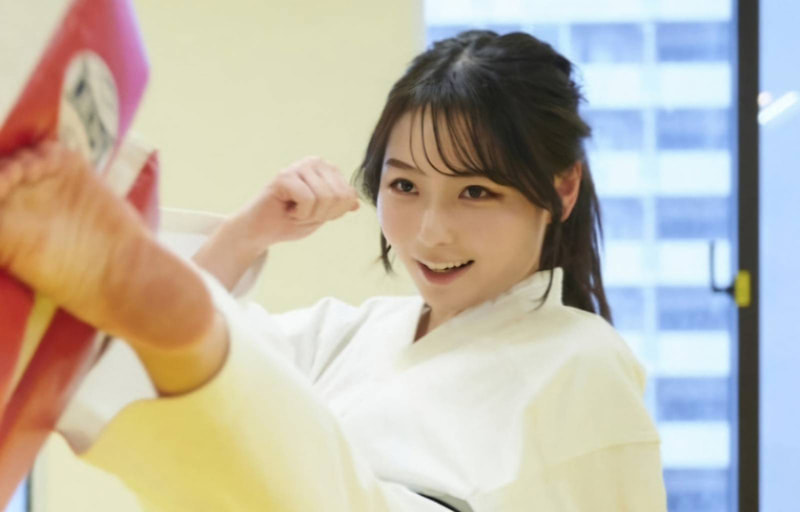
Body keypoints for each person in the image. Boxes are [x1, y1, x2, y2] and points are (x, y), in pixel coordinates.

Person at [0, 30, 667, 510]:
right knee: (183, 378)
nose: (430, 232)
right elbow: (143, 373)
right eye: (404, 187)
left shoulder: (585, 362)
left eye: (476, 192)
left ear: (562, 189)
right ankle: (156, 299)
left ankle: (158, 298)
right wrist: (244, 234)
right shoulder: (355, 334)